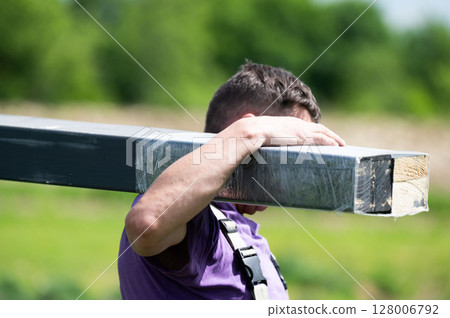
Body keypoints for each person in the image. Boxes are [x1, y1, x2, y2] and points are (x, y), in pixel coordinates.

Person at [118, 62, 345, 299]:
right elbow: (147, 222)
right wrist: (249, 131)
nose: (281, 185)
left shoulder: (237, 228)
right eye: (282, 157)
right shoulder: (195, 222)